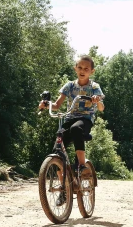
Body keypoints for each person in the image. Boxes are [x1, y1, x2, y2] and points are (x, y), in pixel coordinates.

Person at [39, 55, 105, 205]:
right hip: (69, 117)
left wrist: (97, 100)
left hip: (85, 119)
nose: (82, 71)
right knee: (58, 146)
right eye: (80, 68)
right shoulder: (69, 86)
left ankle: (82, 166)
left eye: (86, 69)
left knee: (76, 129)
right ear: (75, 68)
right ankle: (65, 189)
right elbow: (56, 105)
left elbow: (101, 107)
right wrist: (46, 104)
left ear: (91, 71)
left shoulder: (94, 87)